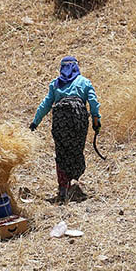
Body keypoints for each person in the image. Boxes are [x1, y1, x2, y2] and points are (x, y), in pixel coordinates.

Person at [29, 56, 101, 202]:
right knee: (76, 149)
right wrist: (96, 121)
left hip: (60, 120)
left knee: (61, 152)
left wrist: (35, 122)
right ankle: (73, 177)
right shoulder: (84, 82)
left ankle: (63, 187)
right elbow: (93, 102)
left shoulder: (55, 84)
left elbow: (45, 104)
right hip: (78, 119)